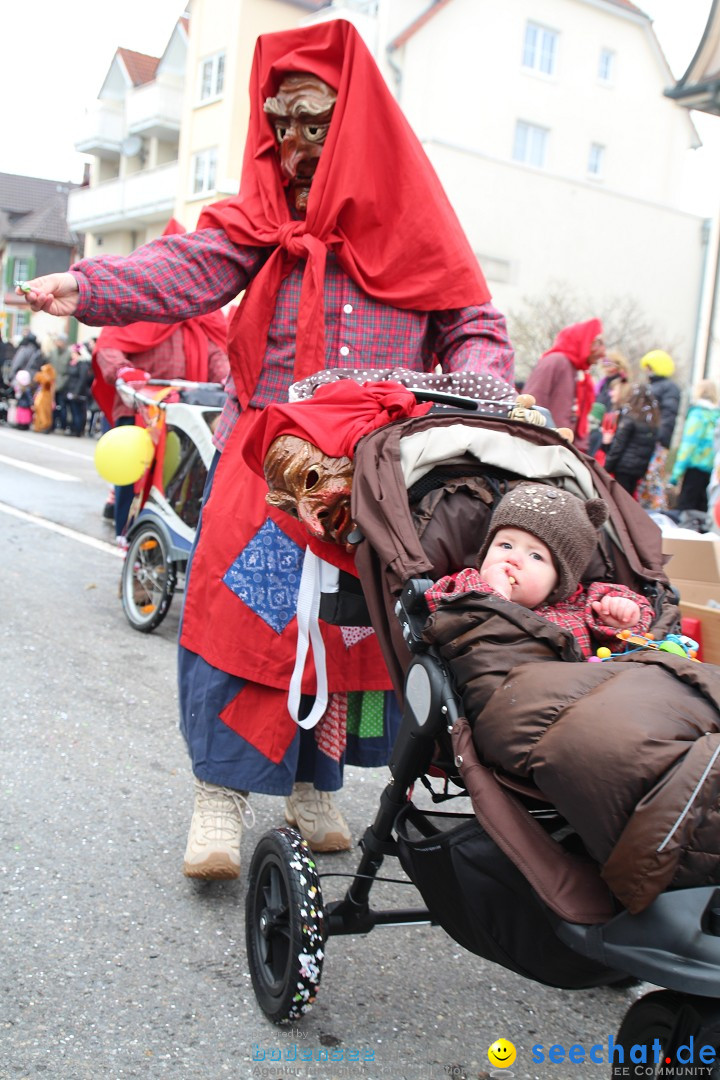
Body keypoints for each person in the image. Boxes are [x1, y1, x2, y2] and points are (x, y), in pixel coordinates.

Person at [17, 20, 515, 881]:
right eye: (279, 122)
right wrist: (86, 285)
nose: (293, 141)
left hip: (370, 473)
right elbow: (186, 268)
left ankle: (312, 789)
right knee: (240, 623)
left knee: (351, 637)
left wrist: (477, 392)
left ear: (357, 121)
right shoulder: (261, 219)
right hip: (269, 466)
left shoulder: (416, 220)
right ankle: (219, 793)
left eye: (315, 120)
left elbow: (472, 324)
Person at [90, 218, 230, 541]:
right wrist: (124, 372)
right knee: (133, 477)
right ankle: (129, 537)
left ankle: (165, 545)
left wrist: (230, 378)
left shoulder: (200, 312)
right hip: (140, 410)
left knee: (182, 483)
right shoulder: (137, 304)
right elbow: (108, 348)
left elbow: (216, 355)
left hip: (184, 414)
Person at [424, 482, 654, 658]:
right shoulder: (465, 585)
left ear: (560, 581)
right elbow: (448, 622)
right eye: (505, 545)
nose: (513, 558)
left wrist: (620, 619)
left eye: (536, 556)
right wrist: (492, 596)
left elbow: (623, 643)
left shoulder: (584, 605)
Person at [522, 320, 604, 453]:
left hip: (563, 448)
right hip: (543, 447)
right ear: (581, 341)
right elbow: (531, 404)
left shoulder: (579, 372)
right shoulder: (555, 361)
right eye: (596, 343)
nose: (602, 352)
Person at [667, 379, 720, 518]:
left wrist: (675, 475)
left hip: (694, 469)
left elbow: (688, 445)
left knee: (685, 510)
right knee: (703, 513)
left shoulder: (697, 415)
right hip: (712, 472)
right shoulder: (717, 417)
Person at [635, 349, 681, 511]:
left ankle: (657, 509)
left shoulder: (668, 388)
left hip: (657, 442)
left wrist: (661, 438)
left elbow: (669, 415)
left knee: (653, 477)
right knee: (646, 478)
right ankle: (646, 507)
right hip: (646, 440)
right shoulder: (652, 386)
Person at [603, 383, 660, 497]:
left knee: (618, 499)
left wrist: (606, 468)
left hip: (623, 467)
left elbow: (618, 445)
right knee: (628, 498)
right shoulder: (653, 421)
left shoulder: (630, 418)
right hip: (638, 469)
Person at [587, 349, 630, 457]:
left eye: (609, 363)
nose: (606, 367)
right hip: (596, 421)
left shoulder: (621, 383)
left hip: (608, 423)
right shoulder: (603, 383)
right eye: (605, 363)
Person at [64, 343, 93, 436]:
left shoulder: (82, 364)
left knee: (78, 412)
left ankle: (78, 429)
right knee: (73, 411)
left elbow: (82, 379)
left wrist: (76, 392)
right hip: (72, 390)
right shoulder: (73, 363)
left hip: (79, 392)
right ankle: (74, 428)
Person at [32, 362, 56, 433]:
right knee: (39, 411)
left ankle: (45, 426)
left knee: (45, 412)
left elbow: (50, 388)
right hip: (41, 395)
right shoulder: (43, 378)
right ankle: (38, 425)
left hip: (46, 397)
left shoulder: (49, 380)